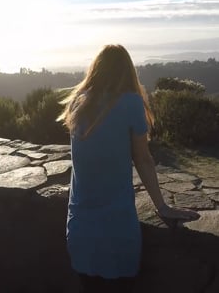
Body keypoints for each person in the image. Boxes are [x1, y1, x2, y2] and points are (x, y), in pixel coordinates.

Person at [58, 44, 199, 293]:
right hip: (116, 228)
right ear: (128, 71)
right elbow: (142, 159)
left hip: (79, 228)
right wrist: (162, 207)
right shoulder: (131, 103)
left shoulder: (78, 102)